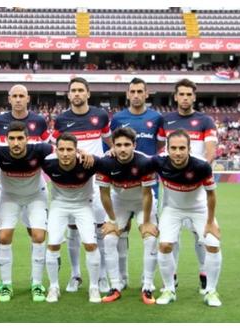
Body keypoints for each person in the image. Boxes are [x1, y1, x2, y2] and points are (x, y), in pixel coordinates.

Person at [143, 129, 222, 307]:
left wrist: (210, 222)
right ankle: (169, 289)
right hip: (173, 209)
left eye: (182, 148)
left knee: (213, 245)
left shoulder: (201, 166)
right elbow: (146, 186)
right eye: (174, 148)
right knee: (164, 245)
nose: (177, 152)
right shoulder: (158, 162)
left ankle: (211, 291)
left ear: (189, 149)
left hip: (199, 209)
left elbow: (211, 195)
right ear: (167, 149)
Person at [51, 77, 113, 293]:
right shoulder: (61, 120)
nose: (77, 94)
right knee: (73, 230)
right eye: (73, 90)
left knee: (99, 230)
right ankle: (75, 274)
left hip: (95, 182)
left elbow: (110, 142)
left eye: (80, 90)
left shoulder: (100, 115)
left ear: (88, 93)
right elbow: (57, 148)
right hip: (71, 181)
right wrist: (77, 153)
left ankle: (102, 275)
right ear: (68, 95)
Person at [159, 78, 218, 293]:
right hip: (172, 188)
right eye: (181, 94)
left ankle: (204, 274)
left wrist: (198, 173)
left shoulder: (205, 121)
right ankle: (171, 278)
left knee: (200, 234)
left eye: (188, 94)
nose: (185, 98)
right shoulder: (166, 120)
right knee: (170, 236)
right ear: (175, 96)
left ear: (194, 96)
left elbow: (210, 152)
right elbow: (160, 150)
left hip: (197, 186)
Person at [0, 121, 53, 302]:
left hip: (36, 196)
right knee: (4, 237)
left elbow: (64, 150)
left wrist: (82, 152)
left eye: (20, 138)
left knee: (39, 236)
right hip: (10, 196)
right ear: (6, 140)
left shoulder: (41, 149)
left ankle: (37, 284)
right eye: (12, 139)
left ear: (27, 139)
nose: (16, 143)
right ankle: (6, 284)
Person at [109, 77, 165, 290]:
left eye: (140, 91)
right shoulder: (118, 118)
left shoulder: (156, 118)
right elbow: (112, 146)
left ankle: (147, 281)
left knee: (150, 231)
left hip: (148, 183)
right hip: (122, 185)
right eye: (132, 91)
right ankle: (122, 278)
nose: (136, 95)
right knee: (120, 231)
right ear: (127, 94)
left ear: (146, 93)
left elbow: (159, 145)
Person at [96, 127, 157, 304]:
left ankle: (147, 286)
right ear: (112, 146)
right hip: (119, 202)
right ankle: (115, 286)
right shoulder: (105, 163)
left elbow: (147, 194)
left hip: (142, 202)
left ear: (134, 145)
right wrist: (113, 221)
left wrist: (145, 222)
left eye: (127, 145)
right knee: (108, 239)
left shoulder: (145, 162)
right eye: (119, 145)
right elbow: (104, 194)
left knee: (150, 238)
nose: (123, 149)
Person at [42, 133, 102, 303]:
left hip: (83, 205)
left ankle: (94, 287)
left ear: (76, 150)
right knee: (53, 244)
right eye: (61, 149)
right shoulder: (48, 163)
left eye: (70, 149)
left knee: (90, 243)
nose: (65, 153)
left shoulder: (88, 163)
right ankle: (53, 287)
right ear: (56, 150)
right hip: (59, 205)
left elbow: (112, 161)